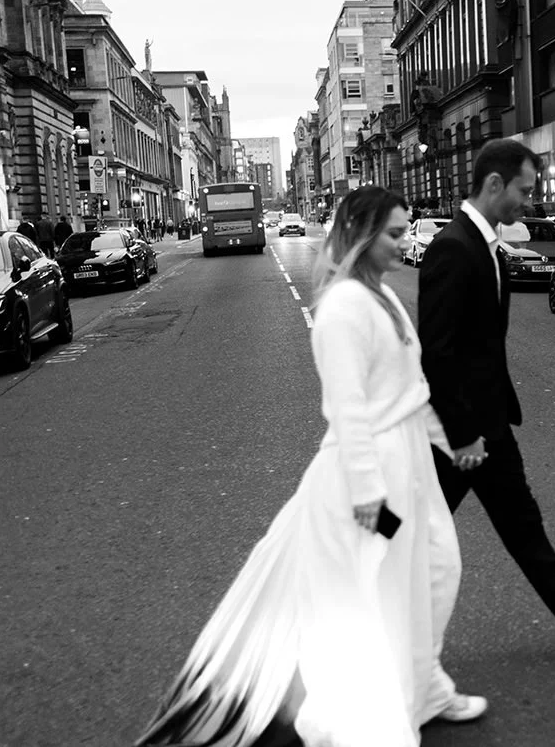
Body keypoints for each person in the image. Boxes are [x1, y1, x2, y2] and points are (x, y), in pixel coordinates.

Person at [135, 186, 484, 747]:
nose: (403, 244)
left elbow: (409, 389)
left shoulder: (384, 296)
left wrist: (450, 443)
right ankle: (366, 711)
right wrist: (369, 496)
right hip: (365, 476)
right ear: (364, 236)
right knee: (379, 594)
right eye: (394, 234)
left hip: (410, 461)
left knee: (437, 570)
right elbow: (348, 411)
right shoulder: (344, 308)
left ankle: (424, 685)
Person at [418, 138, 555, 663]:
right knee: (405, 535)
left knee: (517, 525)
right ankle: (363, 632)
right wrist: (464, 433)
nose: (529, 200)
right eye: (523, 189)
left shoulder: (485, 244)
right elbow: (439, 353)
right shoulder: (455, 248)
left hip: (483, 423)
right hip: (467, 431)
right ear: (494, 184)